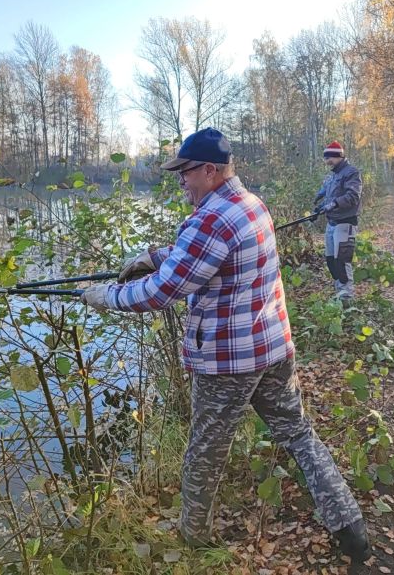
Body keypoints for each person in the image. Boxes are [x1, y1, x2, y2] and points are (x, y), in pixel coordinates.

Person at [80, 127, 371, 562]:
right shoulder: (252, 204)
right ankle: (351, 528)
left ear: (209, 171)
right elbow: (204, 255)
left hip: (228, 363)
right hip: (273, 348)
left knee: (205, 453)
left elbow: (160, 292)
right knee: (298, 434)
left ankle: (193, 538)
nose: (181, 180)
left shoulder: (210, 219)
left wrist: (104, 296)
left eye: (184, 172)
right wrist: (153, 256)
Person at [313, 141, 362, 302]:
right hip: (332, 222)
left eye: (330, 158)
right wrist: (320, 207)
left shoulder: (351, 173)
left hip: (345, 222)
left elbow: (353, 196)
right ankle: (338, 292)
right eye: (326, 158)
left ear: (339, 156)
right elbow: (330, 197)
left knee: (342, 260)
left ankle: (346, 296)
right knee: (331, 260)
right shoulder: (333, 175)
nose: (327, 161)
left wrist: (334, 204)